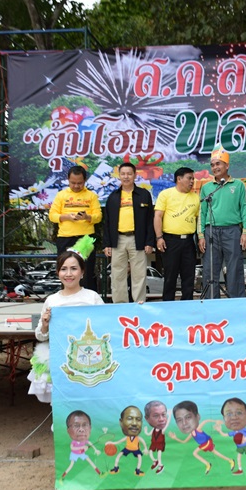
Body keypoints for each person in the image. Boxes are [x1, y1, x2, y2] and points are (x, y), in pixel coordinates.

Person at [27, 239, 105, 404]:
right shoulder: (52, 301)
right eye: (64, 269)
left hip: (90, 361)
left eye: (73, 268)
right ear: (58, 273)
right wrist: (45, 324)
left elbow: (108, 325)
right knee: (64, 403)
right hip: (61, 361)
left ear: (82, 272)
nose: (68, 274)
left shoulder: (92, 297)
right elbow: (40, 336)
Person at [198, 145, 246, 299]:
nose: (215, 167)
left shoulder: (238, 185)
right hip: (211, 232)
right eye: (212, 165)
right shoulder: (207, 187)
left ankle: (236, 301)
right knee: (210, 268)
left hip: (232, 231)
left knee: (234, 267)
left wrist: (245, 232)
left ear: (227, 165)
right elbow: (202, 212)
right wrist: (201, 235)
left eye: (218, 164)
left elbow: (245, 209)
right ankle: (211, 302)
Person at [103, 162, 155, 303]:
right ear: (119, 176)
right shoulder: (113, 196)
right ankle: (120, 305)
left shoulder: (144, 194)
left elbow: (150, 220)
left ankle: (139, 303)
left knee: (139, 274)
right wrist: (107, 244)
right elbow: (107, 222)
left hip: (137, 239)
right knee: (117, 274)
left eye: (129, 174)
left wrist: (149, 242)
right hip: (118, 239)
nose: (126, 177)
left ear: (135, 175)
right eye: (123, 174)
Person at [48, 166, 102, 290]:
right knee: (66, 270)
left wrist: (87, 217)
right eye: (73, 183)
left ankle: (87, 299)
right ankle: (67, 296)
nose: (76, 186)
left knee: (86, 271)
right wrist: (66, 217)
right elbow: (52, 215)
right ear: (68, 180)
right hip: (65, 238)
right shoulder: (61, 195)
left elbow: (98, 216)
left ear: (85, 180)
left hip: (86, 238)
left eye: (80, 183)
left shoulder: (91, 196)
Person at [154, 167, 200, 301]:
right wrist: (159, 237)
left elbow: (199, 219)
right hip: (170, 241)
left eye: (193, 179)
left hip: (189, 241)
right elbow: (158, 216)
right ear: (179, 179)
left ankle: (187, 305)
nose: (192, 181)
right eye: (189, 178)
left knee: (189, 276)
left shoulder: (196, 197)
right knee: (170, 276)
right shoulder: (166, 194)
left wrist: (201, 238)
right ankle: (168, 305)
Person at [168, 400, 235, 475]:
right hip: (205, 443)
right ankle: (230, 460)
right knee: (215, 452)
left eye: (188, 417)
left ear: (197, 417)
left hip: (207, 442)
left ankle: (208, 464)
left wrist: (215, 421)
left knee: (195, 453)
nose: (184, 423)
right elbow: (184, 441)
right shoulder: (191, 433)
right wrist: (175, 438)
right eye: (179, 420)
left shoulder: (198, 429)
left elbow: (206, 421)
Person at [215, 397, 246, 475]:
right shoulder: (234, 432)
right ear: (224, 418)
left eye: (239, 413)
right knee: (238, 457)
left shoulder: (244, 429)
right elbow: (224, 435)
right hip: (239, 446)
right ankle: (240, 469)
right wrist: (219, 430)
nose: (234, 417)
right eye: (229, 414)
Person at [61, 410, 102, 480]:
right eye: (76, 426)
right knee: (71, 465)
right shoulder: (74, 442)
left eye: (85, 425)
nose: (81, 429)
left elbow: (90, 444)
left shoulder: (85, 440)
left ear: (90, 428)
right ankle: (62, 477)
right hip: (74, 454)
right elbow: (72, 448)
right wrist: (82, 447)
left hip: (82, 453)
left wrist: (96, 450)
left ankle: (100, 473)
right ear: (68, 430)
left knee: (90, 462)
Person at [108, 405, 148, 476]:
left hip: (136, 449)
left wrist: (145, 448)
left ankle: (138, 470)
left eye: (138, 419)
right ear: (121, 422)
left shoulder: (138, 438)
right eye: (129, 418)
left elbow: (143, 442)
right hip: (127, 448)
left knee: (139, 457)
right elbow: (119, 441)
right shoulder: (127, 437)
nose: (134, 423)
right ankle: (116, 468)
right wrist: (112, 443)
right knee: (119, 455)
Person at [144, 400, 169, 474]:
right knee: (150, 453)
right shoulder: (154, 429)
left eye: (163, 415)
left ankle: (160, 465)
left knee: (159, 454)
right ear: (147, 418)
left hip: (160, 444)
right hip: (153, 443)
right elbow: (148, 434)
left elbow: (167, 424)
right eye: (156, 416)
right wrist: (145, 431)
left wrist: (170, 415)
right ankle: (155, 461)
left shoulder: (162, 430)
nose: (161, 419)